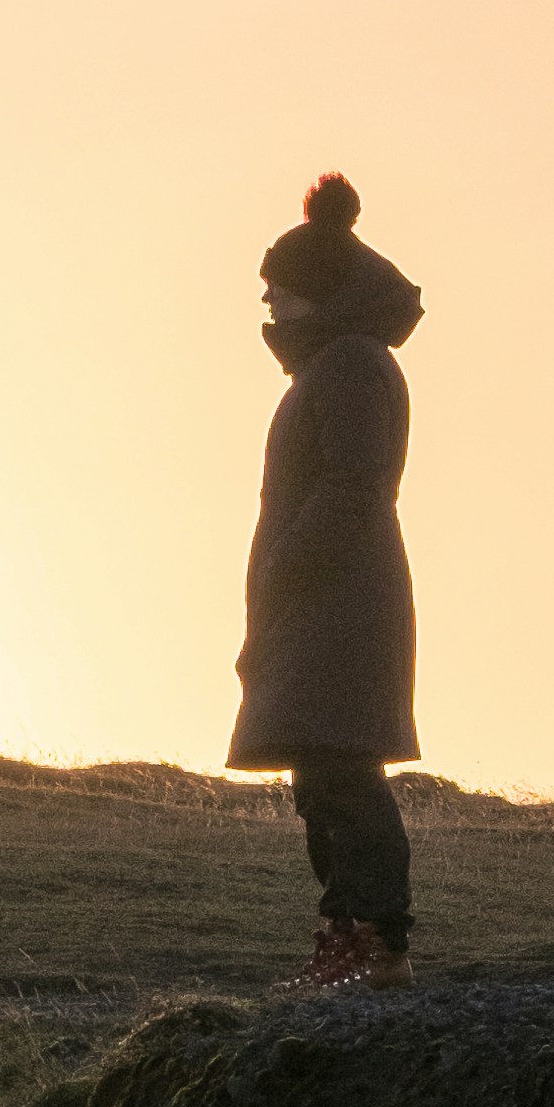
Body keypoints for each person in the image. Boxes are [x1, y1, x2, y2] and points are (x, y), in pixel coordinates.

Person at [227, 171, 425, 988]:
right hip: (316, 602)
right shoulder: (332, 365)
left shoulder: (348, 365)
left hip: (338, 602)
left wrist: (286, 566)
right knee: (320, 776)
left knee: (343, 771)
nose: (269, 304)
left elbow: (354, 486)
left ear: (318, 292)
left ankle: (380, 945)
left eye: (281, 291)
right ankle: (344, 938)